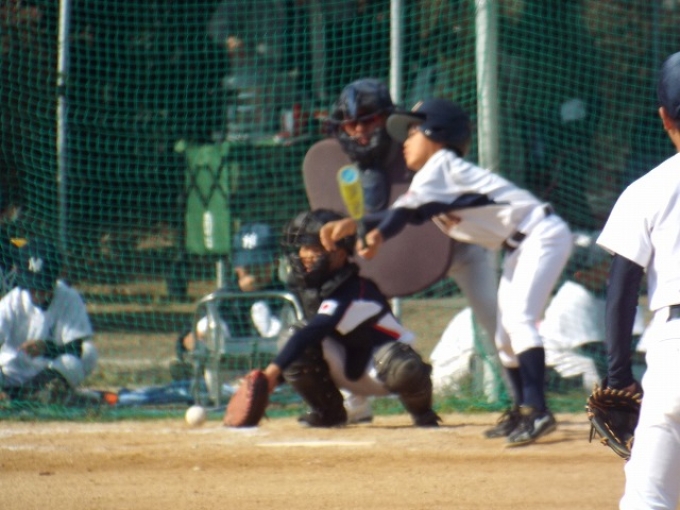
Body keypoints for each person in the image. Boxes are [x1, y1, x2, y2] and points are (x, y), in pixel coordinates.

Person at [320, 98, 573, 445]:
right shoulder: (436, 176)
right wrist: (360, 224)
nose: (405, 140)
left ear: (436, 132)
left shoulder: (440, 165)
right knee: (503, 336)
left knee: (519, 322)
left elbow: (401, 216)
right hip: (521, 245)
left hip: (541, 235)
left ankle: (538, 410)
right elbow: (408, 211)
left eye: (413, 131)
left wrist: (374, 232)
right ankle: (523, 409)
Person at [304, 78, 502, 417]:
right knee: (340, 301)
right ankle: (354, 401)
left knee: (494, 317)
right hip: (378, 250)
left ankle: (527, 399)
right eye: (350, 124)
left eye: (368, 120)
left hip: (453, 244)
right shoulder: (337, 163)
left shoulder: (417, 144)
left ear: (387, 118)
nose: (359, 130)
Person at [261, 209, 440, 428]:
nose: (305, 255)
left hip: (379, 371)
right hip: (346, 369)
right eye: (302, 248)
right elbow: (309, 342)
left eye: (315, 249)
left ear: (340, 254)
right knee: (293, 336)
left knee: (404, 367)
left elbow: (316, 329)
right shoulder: (308, 288)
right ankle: (328, 413)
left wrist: (271, 373)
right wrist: (270, 381)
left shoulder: (353, 289)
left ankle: (423, 413)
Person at [595, 51, 680, 510]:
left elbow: (622, 291)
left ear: (664, 116)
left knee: (649, 499)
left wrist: (619, 377)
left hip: (675, 350)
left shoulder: (648, 188)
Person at [0, 238, 98, 404]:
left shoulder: (69, 298)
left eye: (43, 287)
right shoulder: (12, 301)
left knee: (88, 353)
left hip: (48, 375)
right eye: (32, 287)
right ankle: (21, 396)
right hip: (12, 374)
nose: (37, 293)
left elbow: (76, 348)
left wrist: (46, 348)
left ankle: (32, 394)